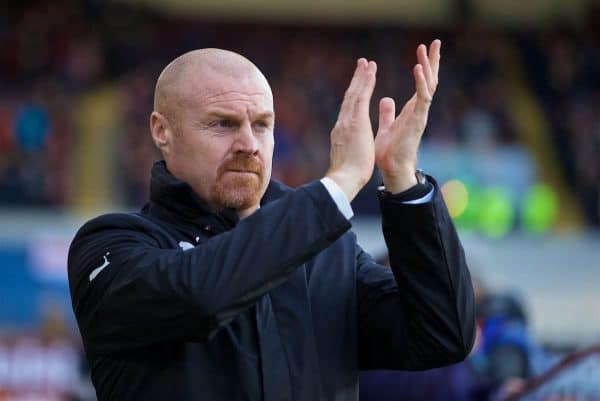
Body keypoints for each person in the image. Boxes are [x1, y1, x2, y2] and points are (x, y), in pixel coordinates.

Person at [68, 41, 475, 401]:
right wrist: (339, 185)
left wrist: (404, 182)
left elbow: (441, 336)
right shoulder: (110, 247)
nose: (248, 144)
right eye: (222, 123)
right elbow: (199, 297)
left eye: (262, 124)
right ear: (162, 131)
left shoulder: (326, 249)